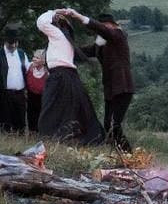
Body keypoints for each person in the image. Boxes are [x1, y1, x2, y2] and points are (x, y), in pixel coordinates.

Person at [36, 8, 105, 144]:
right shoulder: (65, 40)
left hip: (59, 76)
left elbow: (41, 22)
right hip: (70, 77)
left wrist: (54, 11)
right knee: (72, 110)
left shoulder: (58, 35)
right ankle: (74, 139)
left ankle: (50, 139)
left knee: (51, 109)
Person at [87, 11, 135, 151]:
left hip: (122, 87)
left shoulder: (118, 35)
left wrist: (83, 19)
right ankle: (121, 154)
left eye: (104, 26)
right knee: (108, 124)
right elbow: (85, 51)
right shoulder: (101, 45)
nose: (102, 30)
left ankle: (128, 153)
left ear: (111, 25)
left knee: (114, 124)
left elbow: (105, 31)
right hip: (110, 90)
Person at [0, 26, 31, 132]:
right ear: (5, 42)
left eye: (15, 43)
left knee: (20, 122)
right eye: (11, 43)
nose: (13, 45)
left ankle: (19, 142)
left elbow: (28, 70)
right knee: (5, 121)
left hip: (20, 93)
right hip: (5, 93)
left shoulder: (22, 54)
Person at [25, 48, 48, 132]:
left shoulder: (47, 72)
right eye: (34, 57)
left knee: (41, 118)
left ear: (43, 60)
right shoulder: (28, 66)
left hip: (42, 99)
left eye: (37, 58)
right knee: (31, 118)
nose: (34, 59)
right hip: (30, 98)